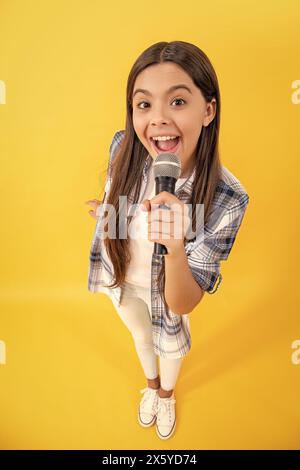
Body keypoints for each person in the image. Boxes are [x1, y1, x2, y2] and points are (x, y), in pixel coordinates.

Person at [86, 41, 250, 440]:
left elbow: (184, 301)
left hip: (169, 291)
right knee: (142, 337)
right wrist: (109, 212)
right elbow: (117, 190)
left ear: (208, 110)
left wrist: (175, 246)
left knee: (172, 347)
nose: (157, 119)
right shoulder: (123, 144)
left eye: (177, 102)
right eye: (144, 105)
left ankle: (167, 395)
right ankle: (151, 386)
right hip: (121, 274)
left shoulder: (228, 197)